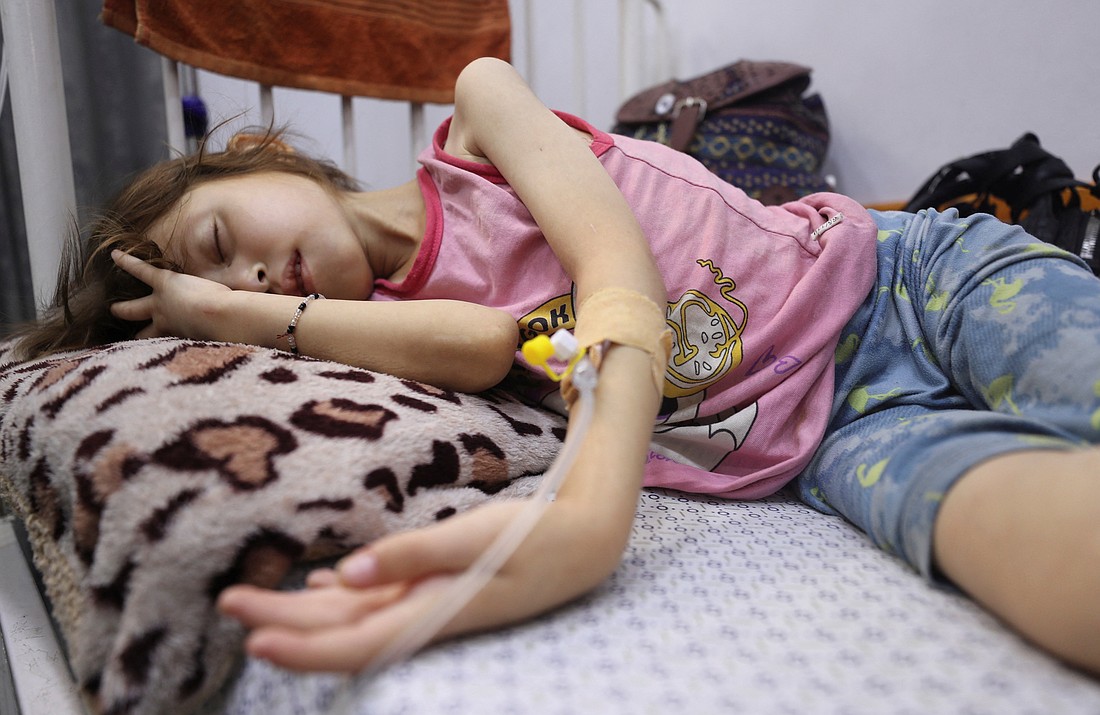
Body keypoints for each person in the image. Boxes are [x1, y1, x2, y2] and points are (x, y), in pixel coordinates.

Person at [13, 57, 1100, 677]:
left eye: (217, 242)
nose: (250, 278)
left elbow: (613, 265)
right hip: (828, 438)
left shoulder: (475, 120)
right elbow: (485, 345)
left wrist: (591, 504)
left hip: (906, 280)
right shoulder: (384, 332)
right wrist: (220, 312)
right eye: (238, 301)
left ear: (262, 153)